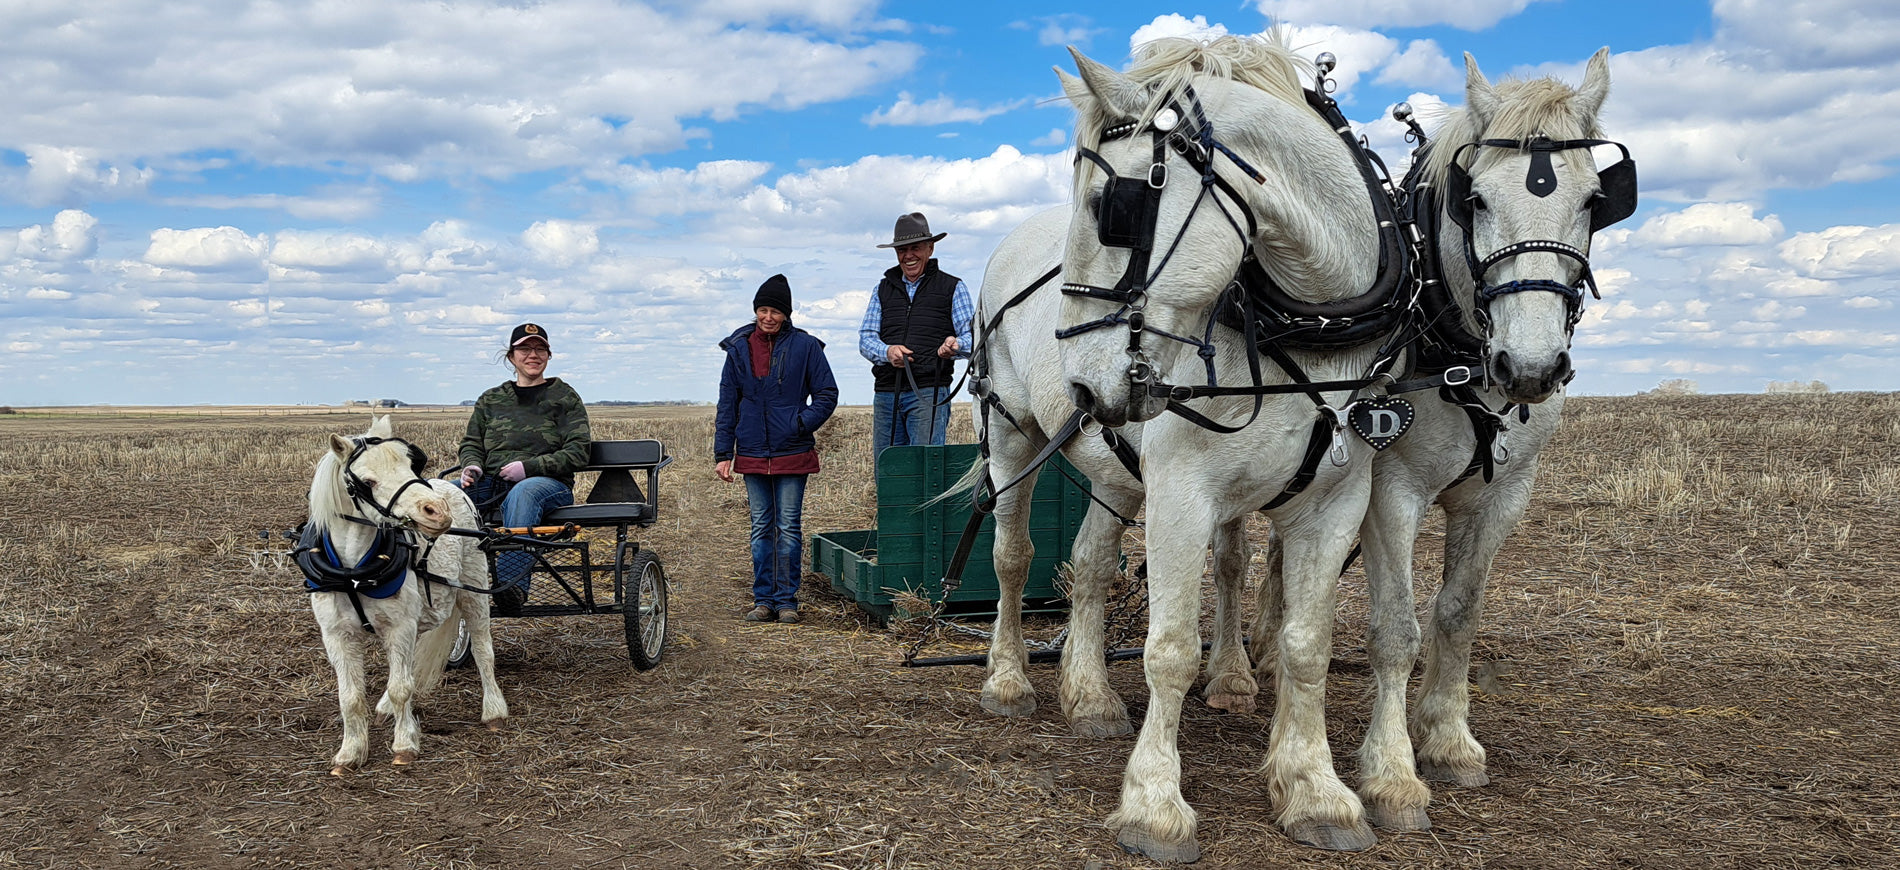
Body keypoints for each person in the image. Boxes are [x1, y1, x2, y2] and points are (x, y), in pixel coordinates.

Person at [715, 274, 839, 624]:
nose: (768, 317)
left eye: (775, 311)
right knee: (760, 528)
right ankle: (763, 600)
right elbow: (728, 402)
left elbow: (827, 394)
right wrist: (723, 453)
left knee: (788, 527)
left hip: (792, 451)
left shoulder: (806, 346)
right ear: (756, 311)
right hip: (752, 452)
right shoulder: (738, 348)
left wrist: (799, 423)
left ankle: (786, 601)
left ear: (786, 314)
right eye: (763, 310)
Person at [457, 322, 592, 601]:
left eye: (540, 348)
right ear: (511, 357)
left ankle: (511, 588)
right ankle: (435, 581)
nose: (533, 355)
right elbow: (472, 443)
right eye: (525, 349)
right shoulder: (491, 399)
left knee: (524, 492)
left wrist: (529, 469)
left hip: (548, 487)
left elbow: (579, 452)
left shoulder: (563, 397)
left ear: (548, 355)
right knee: (438, 493)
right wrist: (472, 465)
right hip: (490, 485)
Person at [857, 212, 974, 472]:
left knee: (926, 470)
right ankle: (890, 515)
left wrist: (954, 347)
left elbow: (972, 338)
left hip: (929, 393)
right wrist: (888, 352)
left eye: (915, 248)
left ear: (930, 248)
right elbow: (866, 339)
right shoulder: (882, 289)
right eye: (902, 249)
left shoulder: (953, 287)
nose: (908, 255)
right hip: (886, 393)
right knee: (888, 472)